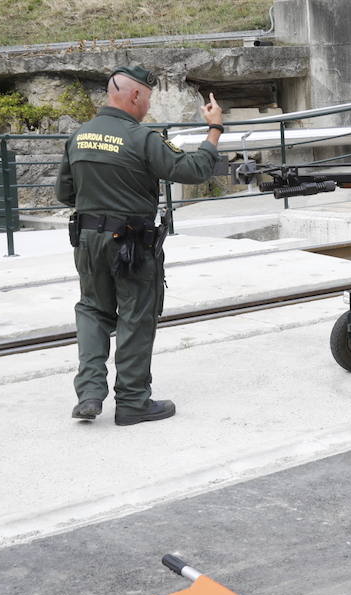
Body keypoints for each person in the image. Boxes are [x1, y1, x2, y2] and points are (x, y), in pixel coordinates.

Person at [55, 66, 225, 424]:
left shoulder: (80, 136)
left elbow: (64, 193)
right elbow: (193, 170)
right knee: (135, 315)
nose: (148, 107)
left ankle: (89, 393)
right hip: (130, 244)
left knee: (92, 310)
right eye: (147, 98)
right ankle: (132, 402)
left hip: (87, 241)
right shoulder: (142, 138)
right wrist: (214, 129)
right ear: (134, 96)